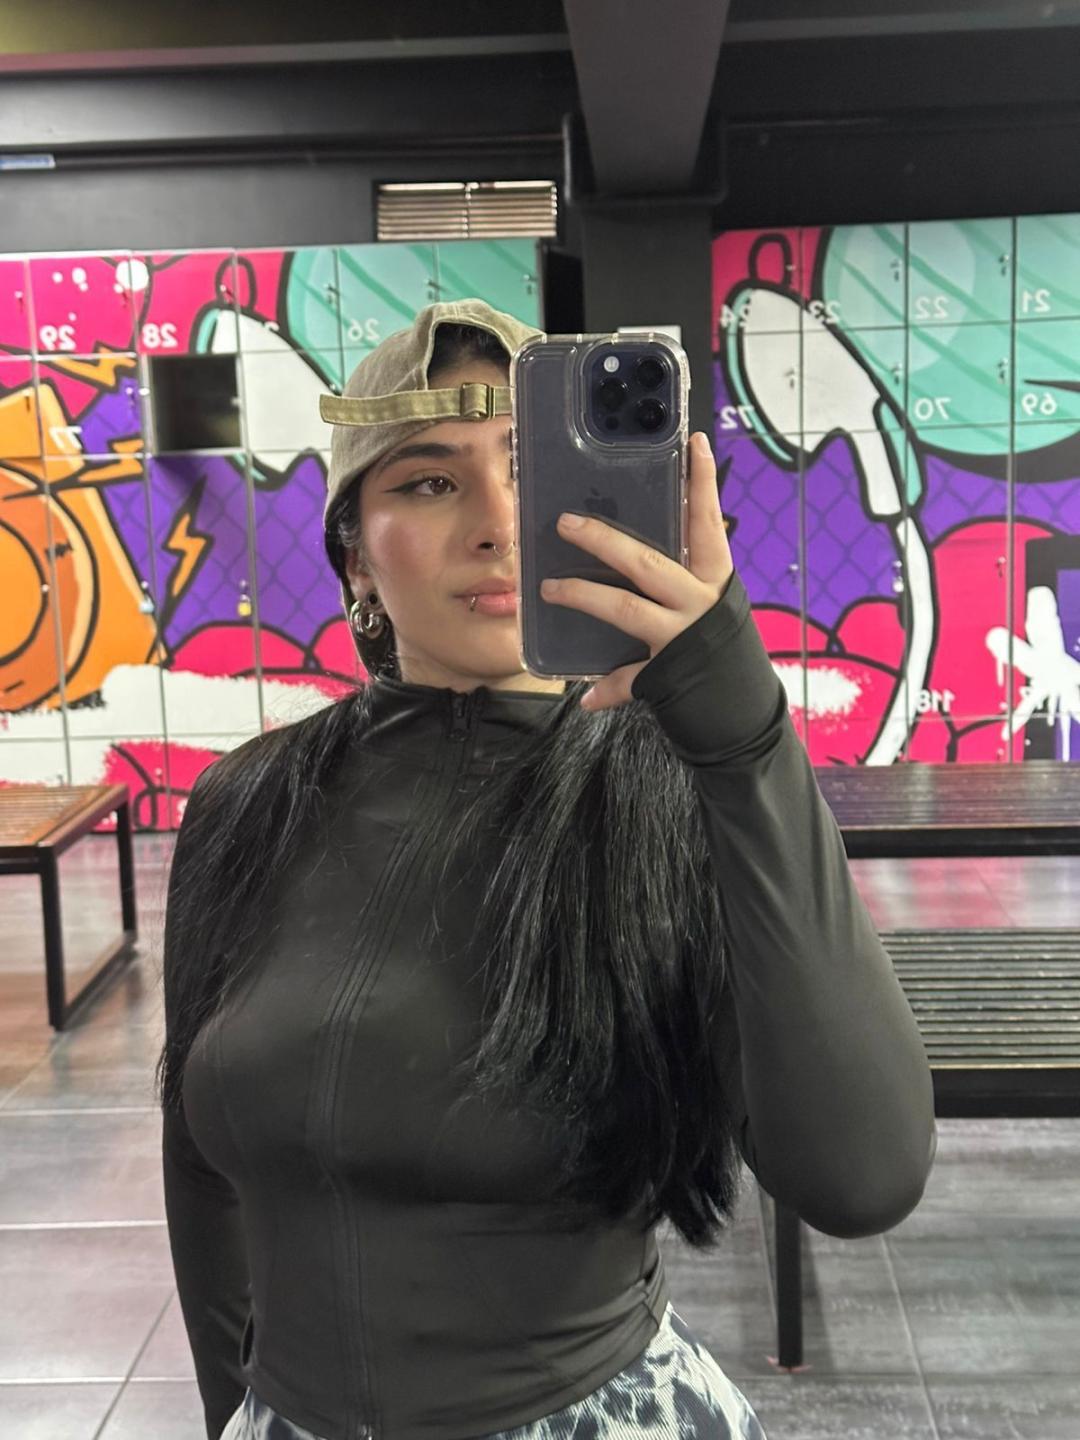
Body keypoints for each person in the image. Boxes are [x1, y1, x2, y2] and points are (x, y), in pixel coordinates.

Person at [158, 298, 937, 1440]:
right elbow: (198, 1171)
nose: (496, 523)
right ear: (355, 555)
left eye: (530, 470)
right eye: (430, 480)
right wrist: (234, 1412)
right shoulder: (247, 805)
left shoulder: (672, 792)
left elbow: (862, 1174)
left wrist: (745, 738)